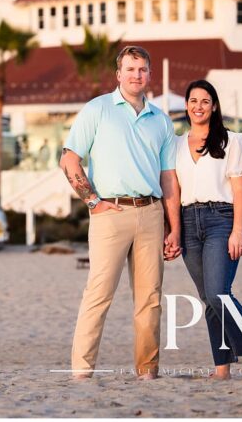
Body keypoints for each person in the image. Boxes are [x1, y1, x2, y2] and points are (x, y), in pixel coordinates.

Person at [59, 45, 180, 381]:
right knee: (98, 296)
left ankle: (147, 372)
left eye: (142, 70)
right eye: (130, 69)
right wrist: (93, 200)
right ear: (118, 74)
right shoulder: (97, 110)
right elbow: (69, 159)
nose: (136, 75)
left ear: (149, 74)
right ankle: (81, 372)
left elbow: (168, 178)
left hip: (151, 213)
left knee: (150, 300)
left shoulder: (161, 121)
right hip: (109, 213)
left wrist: (175, 228)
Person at [165, 79, 242, 381]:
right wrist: (172, 230)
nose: (199, 106)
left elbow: (240, 191)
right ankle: (221, 368)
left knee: (218, 293)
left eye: (205, 101)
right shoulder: (174, 145)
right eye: (193, 100)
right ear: (186, 106)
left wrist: (238, 230)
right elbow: (171, 190)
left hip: (220, 220)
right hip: (187, 223)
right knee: (207, 297)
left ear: (214, 107)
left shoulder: (232, 141)